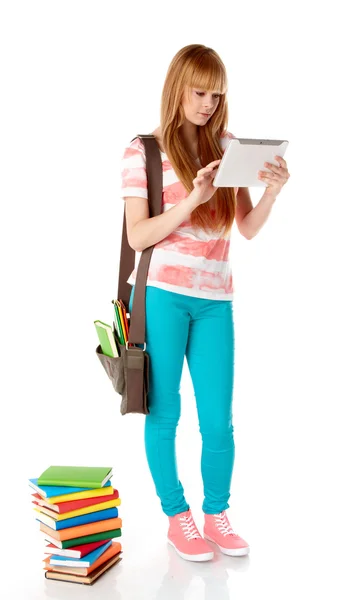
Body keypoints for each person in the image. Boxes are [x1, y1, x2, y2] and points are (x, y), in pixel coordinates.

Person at [120, 44, 290, 562]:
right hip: (163, 297)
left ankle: (216, 515)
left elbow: (246, 230)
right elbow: (137, 235)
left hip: (216, 300)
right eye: (199, 92)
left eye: (217, 94)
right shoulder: (143, 150)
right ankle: (178, 518)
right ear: (178, 89)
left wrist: (271, 194)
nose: (208, 103)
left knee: (219, 421)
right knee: (165, 413)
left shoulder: (230, 146)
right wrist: (191, 199)